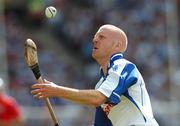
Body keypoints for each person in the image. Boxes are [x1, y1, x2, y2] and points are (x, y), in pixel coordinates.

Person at [31, 24, 159, 126]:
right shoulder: (101, 85)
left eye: (101, 37)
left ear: (117, 45)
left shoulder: (123, 66)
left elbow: (97, 98)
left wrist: (57, 90)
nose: (94, 40)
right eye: (95, 37)